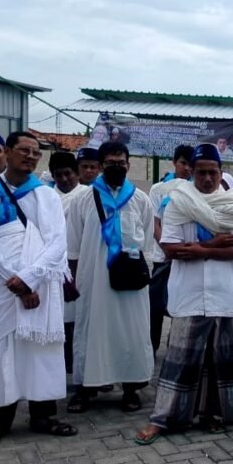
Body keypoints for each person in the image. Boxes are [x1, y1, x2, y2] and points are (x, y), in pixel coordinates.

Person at [134, 144, 233, 444]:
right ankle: (163, 419)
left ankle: (213, 415)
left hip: (222, 292)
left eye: (212, 172)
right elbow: (170, 248)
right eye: (201, 171)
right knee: (179, 359)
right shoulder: (178, 202)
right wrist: (217, 244)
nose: (207, 178)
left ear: (221, 173)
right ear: (191, 171)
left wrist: (202, 249)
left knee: (218, 360)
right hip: (188, 292)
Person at [0, 132, 77, 448]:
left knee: (41, 351)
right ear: (8, 153)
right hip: (0, 287)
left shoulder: (47, 196)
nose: (30, 156)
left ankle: (44, 415)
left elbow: (56, 243)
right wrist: (15, 281)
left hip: (39, 286)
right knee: (2, 352)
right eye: (23, 150)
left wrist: (31, 279)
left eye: (36, 152)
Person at [66, 142, 155, 414]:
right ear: (102, 165)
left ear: (128, 164)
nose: (117, 167)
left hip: (131, 283)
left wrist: (144, 277)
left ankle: (131, 390)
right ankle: (85, 389)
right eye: (111, 162)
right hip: (93, 281)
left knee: (132, 333)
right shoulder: (82, 199)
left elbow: (148, 245)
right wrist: (72, 282)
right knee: (91, 331)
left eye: (121, 162)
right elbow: (73, 246)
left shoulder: (141, 200)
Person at [147, 145, 194, 356]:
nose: (187, 169)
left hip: (184, 256)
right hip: (162, 256)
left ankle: (175, 346)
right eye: (183, 163)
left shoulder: (195, 190)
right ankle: (151, 346)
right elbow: (154, 222)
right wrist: (166, 246)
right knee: (156, 305)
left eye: (191, 165)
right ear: (174, 162)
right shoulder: (159, 189)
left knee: (180, 304)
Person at [48, 152, 90, 373]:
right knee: (63, 318)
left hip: (84, 264)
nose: (64, 179)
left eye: (68, 173)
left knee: (86, 319)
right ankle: (66, 365)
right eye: (59, 175)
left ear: (77, 173)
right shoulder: (47, 197)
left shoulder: (88, 195)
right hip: (56, 266)